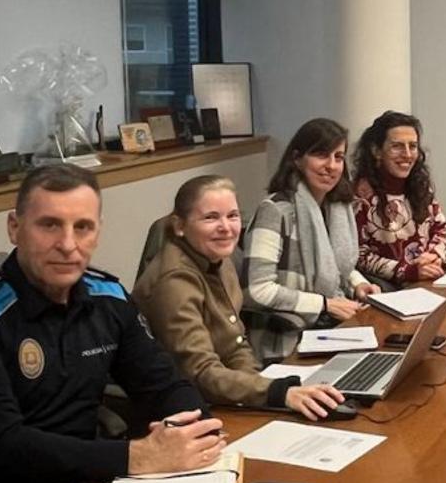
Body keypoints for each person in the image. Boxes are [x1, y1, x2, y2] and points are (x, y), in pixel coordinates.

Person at [0, 165, 223, 483]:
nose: (67, 245)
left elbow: (162, 384)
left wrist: (196, 435)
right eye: (49, 225)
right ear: (15, 228)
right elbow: (1, 446)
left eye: (83, 227)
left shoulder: (108, 298)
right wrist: (136, 456)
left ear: (98, 232)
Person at [134, 175, 346, 420]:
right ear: (180, 225)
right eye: (211, 217)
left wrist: (257, 385)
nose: (226, 227)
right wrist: (276, 393)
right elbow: (200, 372)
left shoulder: (219, 261)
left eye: (232, 216)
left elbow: (235, 343)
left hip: (220, 391)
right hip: (181, 409)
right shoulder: (173, 282)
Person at [242, 118, 381, 359]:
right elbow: (257, 290)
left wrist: (357, 283)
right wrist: (324, 304)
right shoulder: (275, 211)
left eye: (338, 157)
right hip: (290, 341)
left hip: (331, 328)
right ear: (296, 159)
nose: (331, 165)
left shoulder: (336, 208)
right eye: (321, 155)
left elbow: (335, 266)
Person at [351, 111, 446, 286]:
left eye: (412, 146)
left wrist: (434, 255)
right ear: (377, 151)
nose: (407, 154)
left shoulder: (420, 186)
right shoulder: (360, 197)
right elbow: (359, 256)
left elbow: (440, 228)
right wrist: (409, 271)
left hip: (430, 278)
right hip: (391, 288)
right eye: (397, 146)